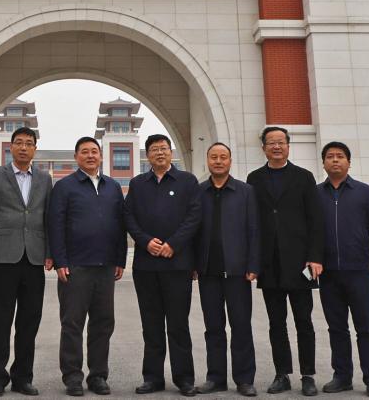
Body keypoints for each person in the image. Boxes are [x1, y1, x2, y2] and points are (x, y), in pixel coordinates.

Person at [245, 126, 323, 397]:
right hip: (270, 264)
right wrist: (253, 262)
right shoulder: (254, 179)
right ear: (263, 148)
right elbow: (252, 223)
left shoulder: (304, 177)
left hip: (300, 263)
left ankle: (308, 375)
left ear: (288, 146)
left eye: (281, 142)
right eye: (271, 143)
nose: (276, 146)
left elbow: (315, 221)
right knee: (276, 323)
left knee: (304, 321)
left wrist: (315, 257)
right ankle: (282, 374)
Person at [0, 126, 54, 397]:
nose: (23, 147)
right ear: (11, 147)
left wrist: (50, 252)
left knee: (29, 322)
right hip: (2, 259)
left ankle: (23, 378)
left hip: (33, 258)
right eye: (19, 143)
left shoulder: (44, 179)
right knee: (0, 321)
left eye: (29, 143)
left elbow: (47, 218)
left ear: (35, 149)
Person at [48, 136, 127, 397]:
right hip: (75, 267)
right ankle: (72, 376)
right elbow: (55, 225)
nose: (90, 155)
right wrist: (60, 261)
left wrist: (120, 259)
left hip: (106, 266)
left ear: (101, 156)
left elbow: (120, 225)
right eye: (85, 152)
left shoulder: (112, 186)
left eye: (94, 151)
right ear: (76, 157)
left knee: (103, 323)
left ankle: (98, 376)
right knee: (72, 323)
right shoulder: (65, 186)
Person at [124, 133, 201, 397]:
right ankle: (152, 377)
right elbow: (128, 217)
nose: (160, 153)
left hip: (177, 265)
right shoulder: (138, 184)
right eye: (155, 149)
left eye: (164, 148)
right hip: (146, 266)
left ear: (171, 152)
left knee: (178, 325)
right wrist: (145, 241)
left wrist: (173, 244)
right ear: (147, 155)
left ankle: (184, 379)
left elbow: (194, 216)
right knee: (151, 325)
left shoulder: (187, 181)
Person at [315, 141, 369, 399]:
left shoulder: (364, 192)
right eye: (330, 156)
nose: (335, 160)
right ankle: (342, 376)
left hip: (358, 272)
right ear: (323, 163)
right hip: (328, 275)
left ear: (349, 162)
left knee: (365, 327)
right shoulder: (316, 194)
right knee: (336, 328)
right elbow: (309, 232)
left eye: (340, 156)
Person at [193, 143, 260, 398]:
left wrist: (253, 264)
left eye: (223, 157)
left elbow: (254, 230)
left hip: (237, 272)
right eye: (214, 157)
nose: (218, 161)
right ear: (207, 161)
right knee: (213, 328)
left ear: (230, 161)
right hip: (208, 271)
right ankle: (216, 378)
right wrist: (193, 265)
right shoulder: (199, 192)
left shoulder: (246, 192)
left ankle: (245, 379)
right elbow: (192, 230)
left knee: (241, 326)